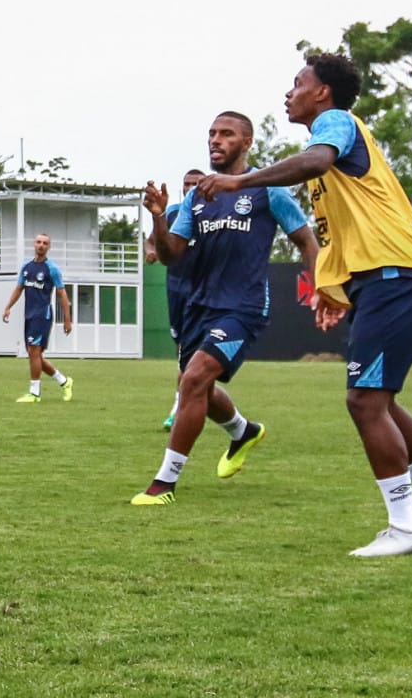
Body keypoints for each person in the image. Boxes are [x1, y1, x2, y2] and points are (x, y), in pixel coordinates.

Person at [194, 52, 412, 557]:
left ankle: (407, 528)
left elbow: (316, 161)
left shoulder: (336, 124)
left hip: (394, 275)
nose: (289, 91)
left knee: (364, 401)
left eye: (298, 82)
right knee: (377, 398)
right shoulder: (328, 159)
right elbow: (341, 231)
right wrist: (332, 289)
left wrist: (240, 180)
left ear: (322, 93)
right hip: (383, 278)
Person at [134, 113, 318, 505]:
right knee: (197, 383)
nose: (215, 140)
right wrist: (158, 221)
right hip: (196, 308)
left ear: (247, 142)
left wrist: (320, 286)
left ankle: (164, 483)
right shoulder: (198, 198)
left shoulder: (268, 191)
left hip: (243, 307)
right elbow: (171, 256)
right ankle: (243, 431)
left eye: (226, 134)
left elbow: (306, 241)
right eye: (212, 134)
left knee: (194, 379)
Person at [155, 168, 206, 429]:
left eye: (196, 183)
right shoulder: (174, 212)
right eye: (187, 183)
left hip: (204, 291)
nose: (190, 188)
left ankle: (179, 407)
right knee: (183, 352)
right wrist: (151, 251)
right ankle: (194, 400)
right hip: (176, 290)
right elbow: (152, 240)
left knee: (194, 355)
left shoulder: (214, 213)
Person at [0, 234, 73, 402]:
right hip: (29, 315)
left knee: (34, 351)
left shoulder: (51, 269)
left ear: (49, 247)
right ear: (34, 244)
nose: (41, 245)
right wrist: (8, 307)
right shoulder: (27, 266)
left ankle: (35, 393)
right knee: (35, 355)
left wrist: (67, 319)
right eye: (38, 242)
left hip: (43, 315)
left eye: (45, 243)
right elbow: (19, 288)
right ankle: (64, 381)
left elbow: (62, 293)